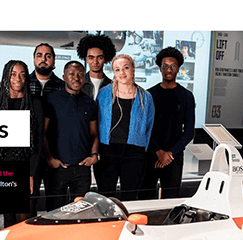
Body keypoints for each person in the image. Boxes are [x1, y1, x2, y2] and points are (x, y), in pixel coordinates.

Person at [0, 60, 44, 227]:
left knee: (25, 219)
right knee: (8, 219)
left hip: (27, 169)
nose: (18, 78)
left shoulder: (35, 104)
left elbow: (38, 142)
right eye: (14, 74)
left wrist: (31, 174)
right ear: (6, 77)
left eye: (23, 75)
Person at [95, 54, 155, 201]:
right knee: (105, 197)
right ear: (114, 73)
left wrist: (140, 147)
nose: (122, 73)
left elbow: (149, 126)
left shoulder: (145, 97)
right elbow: (96, 122)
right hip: (107, 151)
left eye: (126, 68)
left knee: (130, 197)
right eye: (117, 69)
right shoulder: (104, 93)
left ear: (133, 69)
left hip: (134, 153)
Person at [139, 47, 195, 200]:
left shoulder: (186, 96)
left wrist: (169, 154)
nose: (169, 70)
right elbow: (144, 128)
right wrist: (158, 152)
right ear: (159, 68)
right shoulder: (149, 95)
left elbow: (189, 131)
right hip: (150, 156)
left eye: (173, 66)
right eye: (165, 66)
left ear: (178, 69)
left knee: (171, 201)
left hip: (174, 158)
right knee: (145, 199)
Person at [43, 61, 99, 211]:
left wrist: (94, 154)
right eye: (72, 74)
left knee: (82, 211)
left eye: (80, 74)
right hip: (58, 168)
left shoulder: (89, 102)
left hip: (82, 168)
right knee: (55, 212)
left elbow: (93, 132)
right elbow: (42, 133)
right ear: (64, 77)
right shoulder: (51, 100)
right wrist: (49, 159)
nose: (76, 78)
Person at [29, 43, 64, 214]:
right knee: (29, 203)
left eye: (48, 55)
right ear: (34, 59)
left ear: (54, 60)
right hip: (30, 154)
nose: (43, 59)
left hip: (55, 152)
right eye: (39, 55)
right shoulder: (23, 84)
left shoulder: (62, 86)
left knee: (55, 204)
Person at [76, 34, 116, 100]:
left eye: (100, 57)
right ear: (86, 59)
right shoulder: (78, 83)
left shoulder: (112, 86)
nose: (95, 62)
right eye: (91, 57)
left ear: (105, 59)